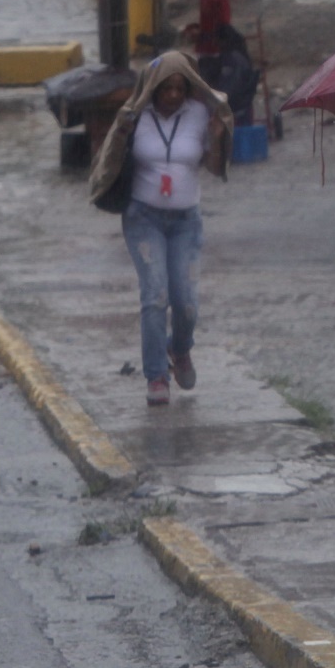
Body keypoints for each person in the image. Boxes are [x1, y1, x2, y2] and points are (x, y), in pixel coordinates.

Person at [87, 51, 234, 406]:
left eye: (179, 88)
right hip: (143, 218)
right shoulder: (135, 117)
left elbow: (216, 168)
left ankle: (179, 349)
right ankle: (156, 376)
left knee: (185, 304)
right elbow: (107, 160)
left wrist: (216, 137)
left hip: (186, 221)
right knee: (155, 296)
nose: (172, 95)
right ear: (152, 88)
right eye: (165, 88)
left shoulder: (200, 115)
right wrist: (121, 129)